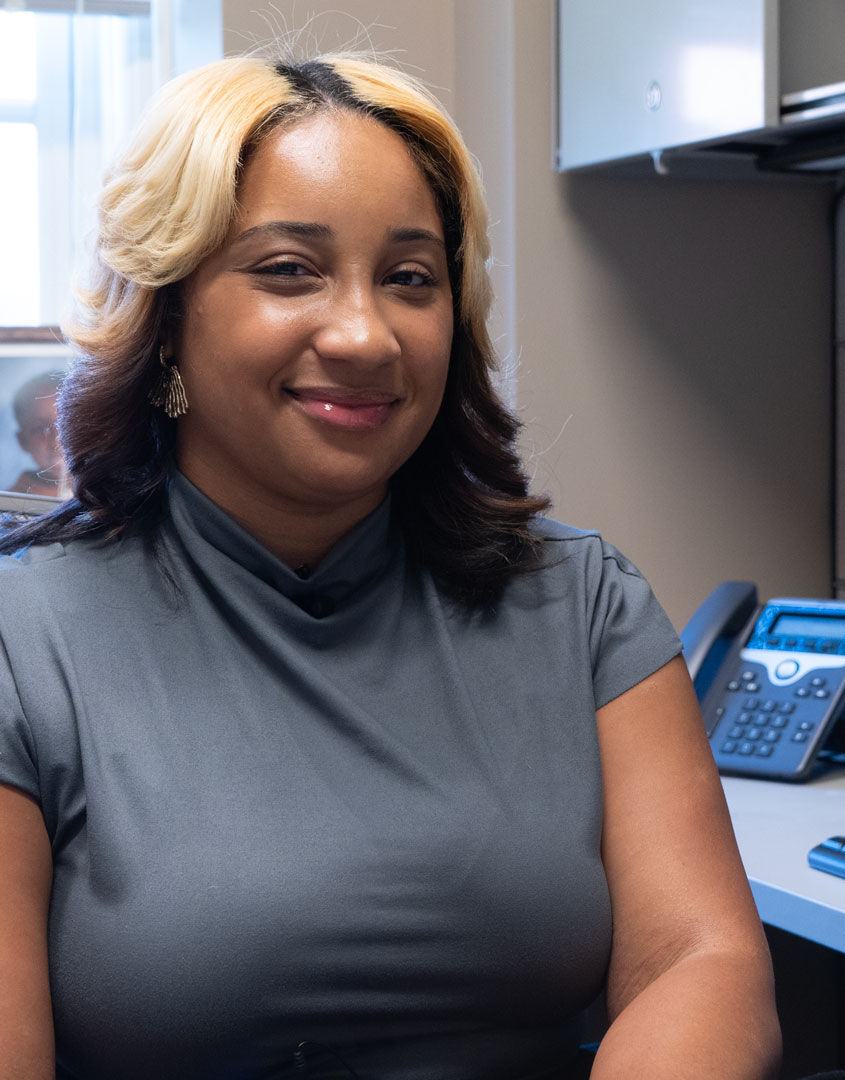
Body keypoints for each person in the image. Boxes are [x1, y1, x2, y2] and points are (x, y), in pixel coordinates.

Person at [0, 54, 782, 1079]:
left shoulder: (581, 603)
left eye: (411, 278)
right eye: (289, 269)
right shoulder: (27, 635)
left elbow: (701, 957)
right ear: (168, 311)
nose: (368, 335)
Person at [6, 370, 68, 497]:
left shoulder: (105, 493)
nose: (56, 440)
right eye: (40, 429)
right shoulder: (12, 503)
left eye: (66, 425)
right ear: (22, 440)